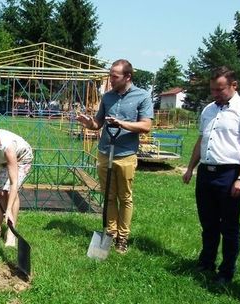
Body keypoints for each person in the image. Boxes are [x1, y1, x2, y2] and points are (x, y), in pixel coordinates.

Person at [182, 66, 240, 284]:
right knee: (208, 222)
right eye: (213, 90)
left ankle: (226, 271)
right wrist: (191, 167)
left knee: (229, 225)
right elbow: (201, 141)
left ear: (234, 86)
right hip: (207, 173)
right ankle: (206, 262)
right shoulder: (208, 110)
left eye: (220, 90)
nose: (215, 94)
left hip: (230, 173)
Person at [77, 59, 153, 254]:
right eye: (110, 75)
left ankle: (123, 237)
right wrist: (88, 123)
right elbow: (98, 124)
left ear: (127, 77)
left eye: (114, 76)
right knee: (109, 196)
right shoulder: (107, 97)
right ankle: (110, 233)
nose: (110, 79)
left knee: (124, 197)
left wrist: (122, 124)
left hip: (125, 154)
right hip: (105, 152)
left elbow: (146, 126)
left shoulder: (142, 96)